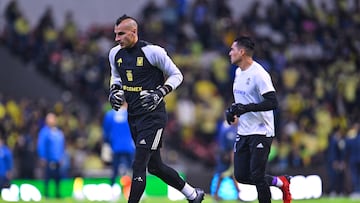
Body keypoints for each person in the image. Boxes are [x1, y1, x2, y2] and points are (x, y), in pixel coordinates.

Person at [107, 14, 204, 203]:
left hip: (153, 117)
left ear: (133, 32)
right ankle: (193, 194)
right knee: (155, 166)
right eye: (115, 34)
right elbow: (116, 76)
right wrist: (114, 91)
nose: (116, 39)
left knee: (139, 163)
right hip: (134, 116)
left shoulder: (152, 52)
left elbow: (177, 75)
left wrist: (160, 92)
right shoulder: (114, 54)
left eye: (121, 34)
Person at [225, 36, 291, 203]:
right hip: (244, 130)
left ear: (242, 52)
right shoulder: (239, 72)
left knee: (257, 175)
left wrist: (246, 108)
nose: (229, 53)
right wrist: (232, 110)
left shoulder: (259, 74)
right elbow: (243, 99)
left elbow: (272, 102)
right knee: (241, 175)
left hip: (261, 130)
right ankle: (280, 182)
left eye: (232, 49)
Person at [102, 102, 135, 186]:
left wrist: (107, 144)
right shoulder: (131, 114)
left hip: (115, 147)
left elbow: (106, 132)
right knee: (133, 169)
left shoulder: (110, 115)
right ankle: (138, 190)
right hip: (129, 146)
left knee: (114, 170)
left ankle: (112, 190)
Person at [37, 112, 65, 199]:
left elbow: (62, 146)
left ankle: (57, 194)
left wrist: (61, 156)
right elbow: (41, 145)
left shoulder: (59, 132)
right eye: (49, 118)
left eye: (53, 118)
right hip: (48, 159)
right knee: (47, 177)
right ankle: (46, 194)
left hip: (58, 160)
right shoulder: (44, 132)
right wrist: (42, 157)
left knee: (58, 178)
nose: (51, 120)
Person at [210, 119, 239, 201]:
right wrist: (231, 156)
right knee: (223, 174)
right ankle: (216, 195)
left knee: (228, 174)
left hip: (223, 154)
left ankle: (238, 194)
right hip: (226, 155)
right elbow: (231, 144)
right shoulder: (229, 129)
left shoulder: (224, 126)